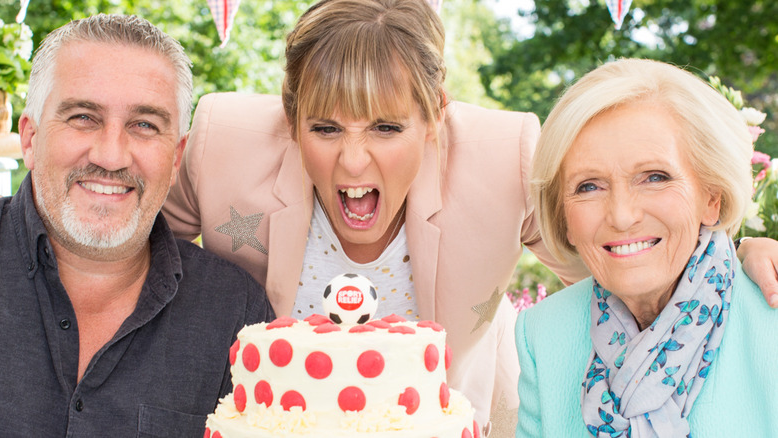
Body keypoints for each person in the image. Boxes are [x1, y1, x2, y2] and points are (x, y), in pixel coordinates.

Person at [162, 0, 778, 433]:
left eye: (386, 126)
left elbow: (617, 248)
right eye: (324, 128)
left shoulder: (503, 158)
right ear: (290, 120)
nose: (353, 161)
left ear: (435, 116)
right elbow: (128, 252)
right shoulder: (223, 145)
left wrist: (733, 246)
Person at [0, 14, 274, 436]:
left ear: (177, 156)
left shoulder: (236, 314)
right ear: (31, 139)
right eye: (83, 117)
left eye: (144, 125)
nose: (112, 157)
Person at [515, 58, 778, 437]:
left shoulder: (769, 322)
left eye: (654, 177)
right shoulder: (543, 332)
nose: (621, 216)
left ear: (712, 197)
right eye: (588, 186)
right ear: (563, 217)